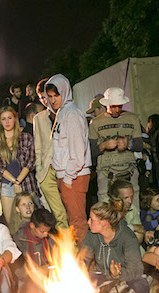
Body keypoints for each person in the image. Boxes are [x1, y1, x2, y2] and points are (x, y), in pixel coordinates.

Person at [45, 74, 92, 244]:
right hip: (66, 176)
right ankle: (79, 260)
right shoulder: (62, 113)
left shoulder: (71, 114)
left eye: (56, 95)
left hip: (73, 176)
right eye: (49, 96)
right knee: (73, 221)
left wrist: (68, 177)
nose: (52, 100)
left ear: (64, 92)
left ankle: (85, 263)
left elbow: (78, 151)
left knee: (77, 221)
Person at [81, 200, 149, 293]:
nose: (88, 222)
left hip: (126, 278)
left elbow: (136, 270)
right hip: (103, 277)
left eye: (91, 219)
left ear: (104, 223)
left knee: (140, 287)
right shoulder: (91, 236)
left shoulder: (128, 238)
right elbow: (83, 260)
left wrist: (117, 274)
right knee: (84, 282)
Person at [89, 87, 143, 208]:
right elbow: (91, 152)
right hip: (106, 172)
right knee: (106, 206)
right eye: (113, 106)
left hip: (129, 169)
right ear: (107, 104)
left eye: (120, 106)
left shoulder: (132, 118)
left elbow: (140, 145)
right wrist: (103, 146)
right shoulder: (96, 123)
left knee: (132, 206)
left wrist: (129, 145)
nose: (117, 109)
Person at [0, 105, 40, 232]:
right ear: (0, 121)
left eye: (9, 118)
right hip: (7, 185)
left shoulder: (26, 137)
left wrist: (18, 181)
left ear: (15, 118)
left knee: (30, 222)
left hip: (26, 183)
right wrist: (14, 181)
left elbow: (30, 162)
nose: (7, 122)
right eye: (3, 119)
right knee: (11, 224)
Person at [33, 78, 68, 228]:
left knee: (70, 211)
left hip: (66, 168)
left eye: (46, 97)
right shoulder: (39, 118)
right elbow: (38, 146)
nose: (45, 101)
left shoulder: (68, 113)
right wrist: (40, 171)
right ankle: (67, 248)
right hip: (47, 169)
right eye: (41, 98)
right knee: (58, 213)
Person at [108, 179, 145, 243]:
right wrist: (133, 227)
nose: (130, 201)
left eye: (131, 197)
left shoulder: (132, 208)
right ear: (115, 197)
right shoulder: (105, 207)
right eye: (126, 198)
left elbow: (140, 229)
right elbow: (111, 231)